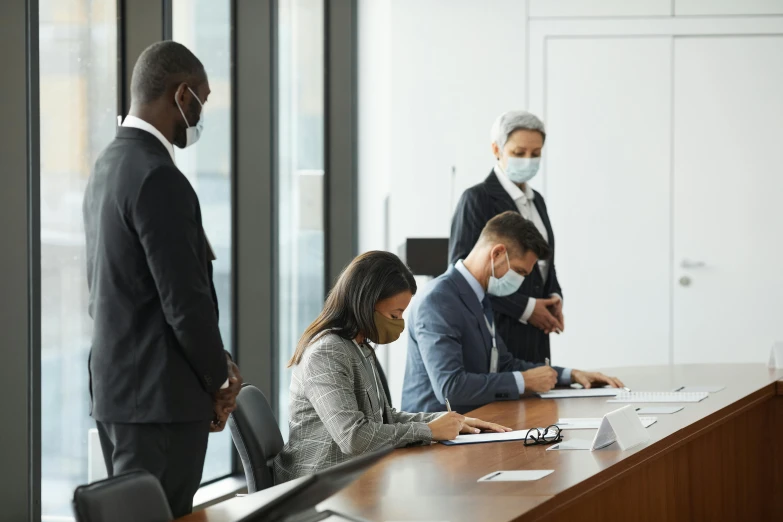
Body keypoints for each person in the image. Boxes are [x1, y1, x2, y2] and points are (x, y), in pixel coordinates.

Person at [83, 41, 242, 517]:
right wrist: (218, 378)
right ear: (180, 94)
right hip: (161, 404)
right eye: (202, 100)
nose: (198, 116)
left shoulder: (108, 166)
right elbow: (184, 302)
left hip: (121, 395)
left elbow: (119, 293)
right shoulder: (158, 177)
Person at [274, 251, 510, 482]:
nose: (399, 324)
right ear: (366, 303)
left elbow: (385, 418)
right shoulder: (327, 352)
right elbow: (353, 437)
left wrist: (445, 420)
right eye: (395, 315)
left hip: (356, 478)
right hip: (318, 486)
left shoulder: (360, 347)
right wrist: (429, 431)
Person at [402, 212, 622, 414]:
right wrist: (523, 381)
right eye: (519, 271)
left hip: (473, 423)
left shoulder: (480, 296)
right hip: (434, 440)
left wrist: (570, 374)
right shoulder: (438, 300)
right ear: (497, 253)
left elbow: (504, 364)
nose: (520, 281)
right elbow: (451, 387)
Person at [449, 110, 563, 364]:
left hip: (537, 335)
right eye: (519, 153)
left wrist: (555, 297)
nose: (528, 160)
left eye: (535, 154)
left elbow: (544, 261)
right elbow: (463, 272)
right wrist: (527, 308)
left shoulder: (538, 202)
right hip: (497, 330)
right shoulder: (476, 199)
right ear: (496, 149)